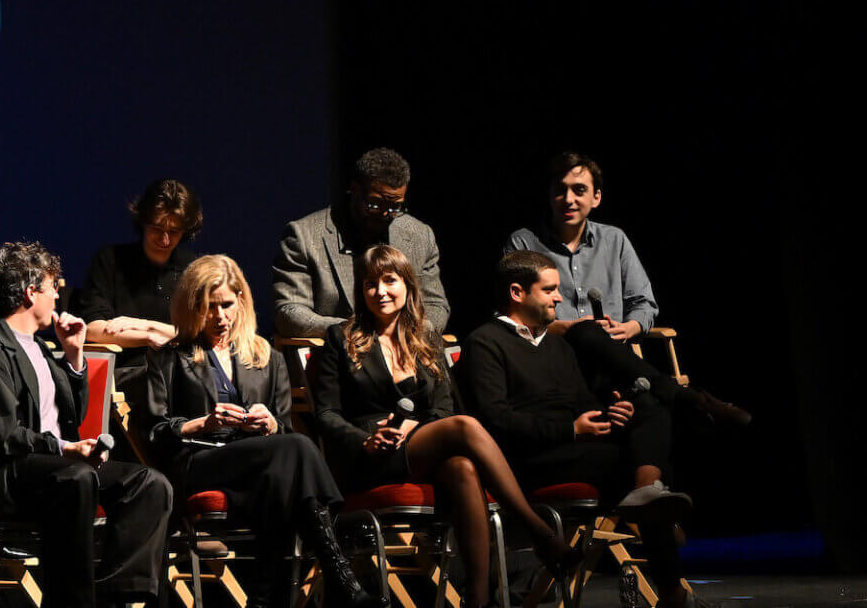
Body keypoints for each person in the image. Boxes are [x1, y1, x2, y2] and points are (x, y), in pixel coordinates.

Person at [309, 245, 575, 607]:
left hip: (418, 447)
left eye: (390, 280)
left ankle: (477, 599)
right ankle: (536, 529)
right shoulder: (341, 338)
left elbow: (442, 407)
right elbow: (326, 415)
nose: (381, 291)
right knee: (464, 427)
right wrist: (366, 439)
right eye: (371, 284)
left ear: (407, 285)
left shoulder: (425, 337)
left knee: (462, 466)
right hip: (368, 458)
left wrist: (412, 427)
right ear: (361, 290)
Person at [456, 251, 696, 608]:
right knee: (633, 464)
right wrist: (571, 429)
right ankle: (671, 584)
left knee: (650, 412)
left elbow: (580, 400)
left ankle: (649, 489)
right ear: (517, 293)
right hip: (530, 457)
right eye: (550, 290)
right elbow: (496, 421)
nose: (559, 298)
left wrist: (606, 412)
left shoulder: (555, 344)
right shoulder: (484, 342)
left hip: (576, 444)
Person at [145, 254, 379, 608]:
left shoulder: (266, 355)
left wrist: (270, 423)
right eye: (209, 307)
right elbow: (155, 432)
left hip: (260, 468)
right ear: (193, 306)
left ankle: (263, 600)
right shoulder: (170, 357)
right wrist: (204, 422)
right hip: (200, 461)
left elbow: (282, 426)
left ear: (241, 301)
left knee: (283, 475)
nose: (220, 317)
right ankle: (344, 582)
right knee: (297, 448)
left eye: (226, 305)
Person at [0, 241, 172, 608]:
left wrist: (74, 355)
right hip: (4, 476)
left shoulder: (40, 347)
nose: (59, 293)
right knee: (77, 477)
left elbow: (73, 415)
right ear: (30, 292)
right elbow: (0, 434)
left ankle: (117, 595)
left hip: (55, 469)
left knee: (150, 485)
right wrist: (65, 449)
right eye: (53, 285)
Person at [504, 152, 747, 426]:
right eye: (560, 190)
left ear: (596, 197)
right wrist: (568, 328)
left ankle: (670, 420)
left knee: (653, 413)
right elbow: (511, 313)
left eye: (579, 190)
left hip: (614, 367)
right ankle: (690, 399)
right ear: (549, 195)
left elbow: (644, 304)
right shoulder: (523, 243)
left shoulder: (614, 239)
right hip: (553, 362)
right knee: (587, 331)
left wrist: (628, 328)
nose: (569, 199)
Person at [273, 147, 450, 340]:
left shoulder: (419, 236)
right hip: (340, 356)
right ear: (354, 190)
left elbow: (436, 306)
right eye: (375, 204)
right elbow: (288, 313)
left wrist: (406, 332)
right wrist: (360, 330)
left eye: (395, 206)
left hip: (404, 351)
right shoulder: (304, 236)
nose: (385, 214)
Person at [72, 177, 198, 349]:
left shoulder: (193, 269)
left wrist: (145, 325)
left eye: (174, 231)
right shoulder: (110, 260)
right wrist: (148, 337)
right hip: (126, 369)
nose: (165, 239)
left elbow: (200, 333)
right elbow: (93, 329)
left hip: (179, 369)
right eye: (157, 228)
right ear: (143, 221)